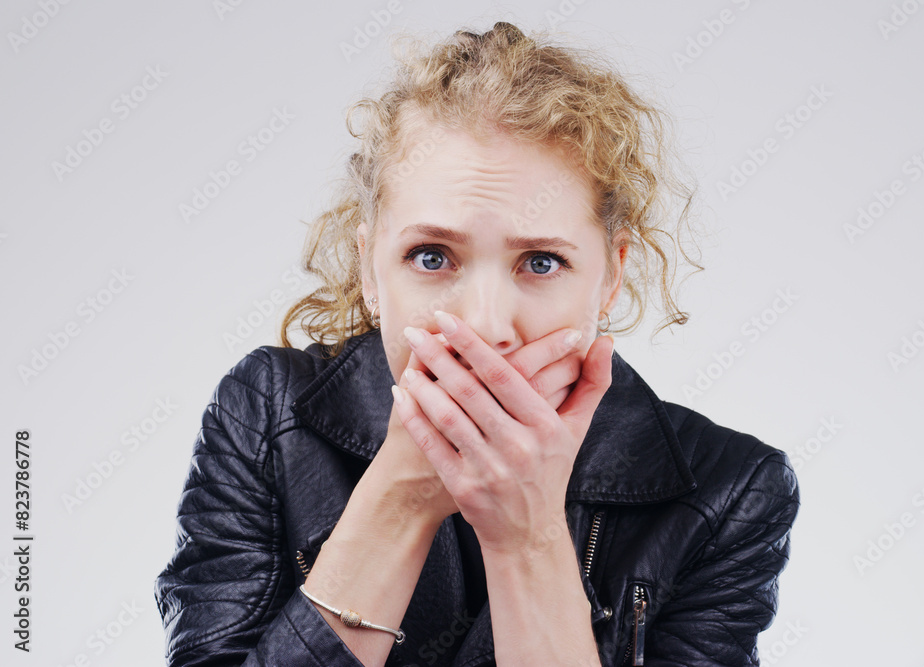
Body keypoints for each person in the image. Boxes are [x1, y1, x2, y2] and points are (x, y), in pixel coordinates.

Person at [154, 21, 800, 667]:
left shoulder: (729, 488)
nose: (486, 324)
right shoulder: (268, 411)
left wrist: (528, 538)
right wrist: (403, 493)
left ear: (611, 276)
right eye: (431, 256)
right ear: (370, 270)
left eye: (541, 262)